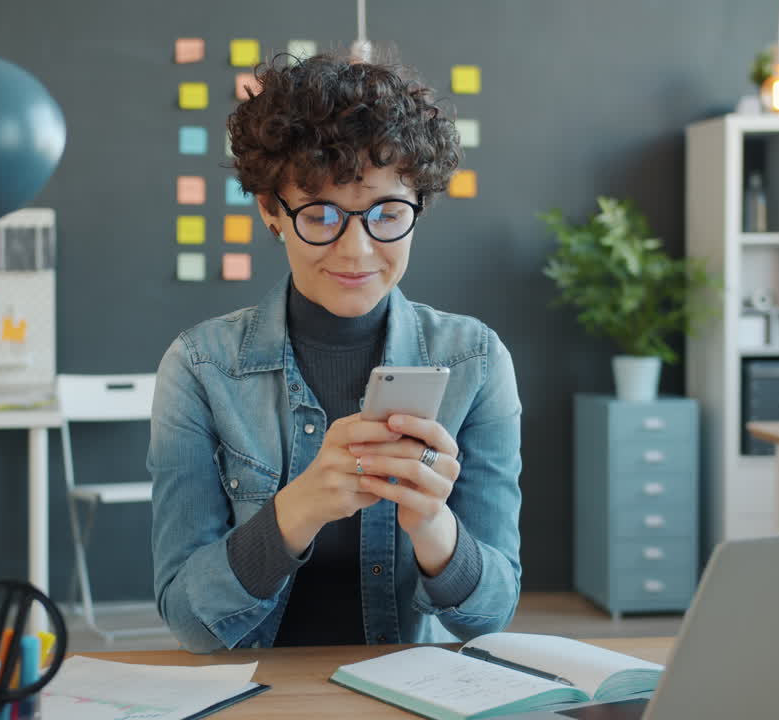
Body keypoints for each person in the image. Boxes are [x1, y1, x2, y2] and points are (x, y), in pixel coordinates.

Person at [148, 53, 522, 653]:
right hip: (253, 694)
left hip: (407, 691)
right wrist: (298, 509)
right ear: (272, 210)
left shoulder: (474, 360)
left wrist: (433, 525)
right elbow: (190, 624)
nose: (357, 250)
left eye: (387, 214)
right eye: (320, 214)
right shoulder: (200, 367)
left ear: (417, 209)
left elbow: (489, 617)